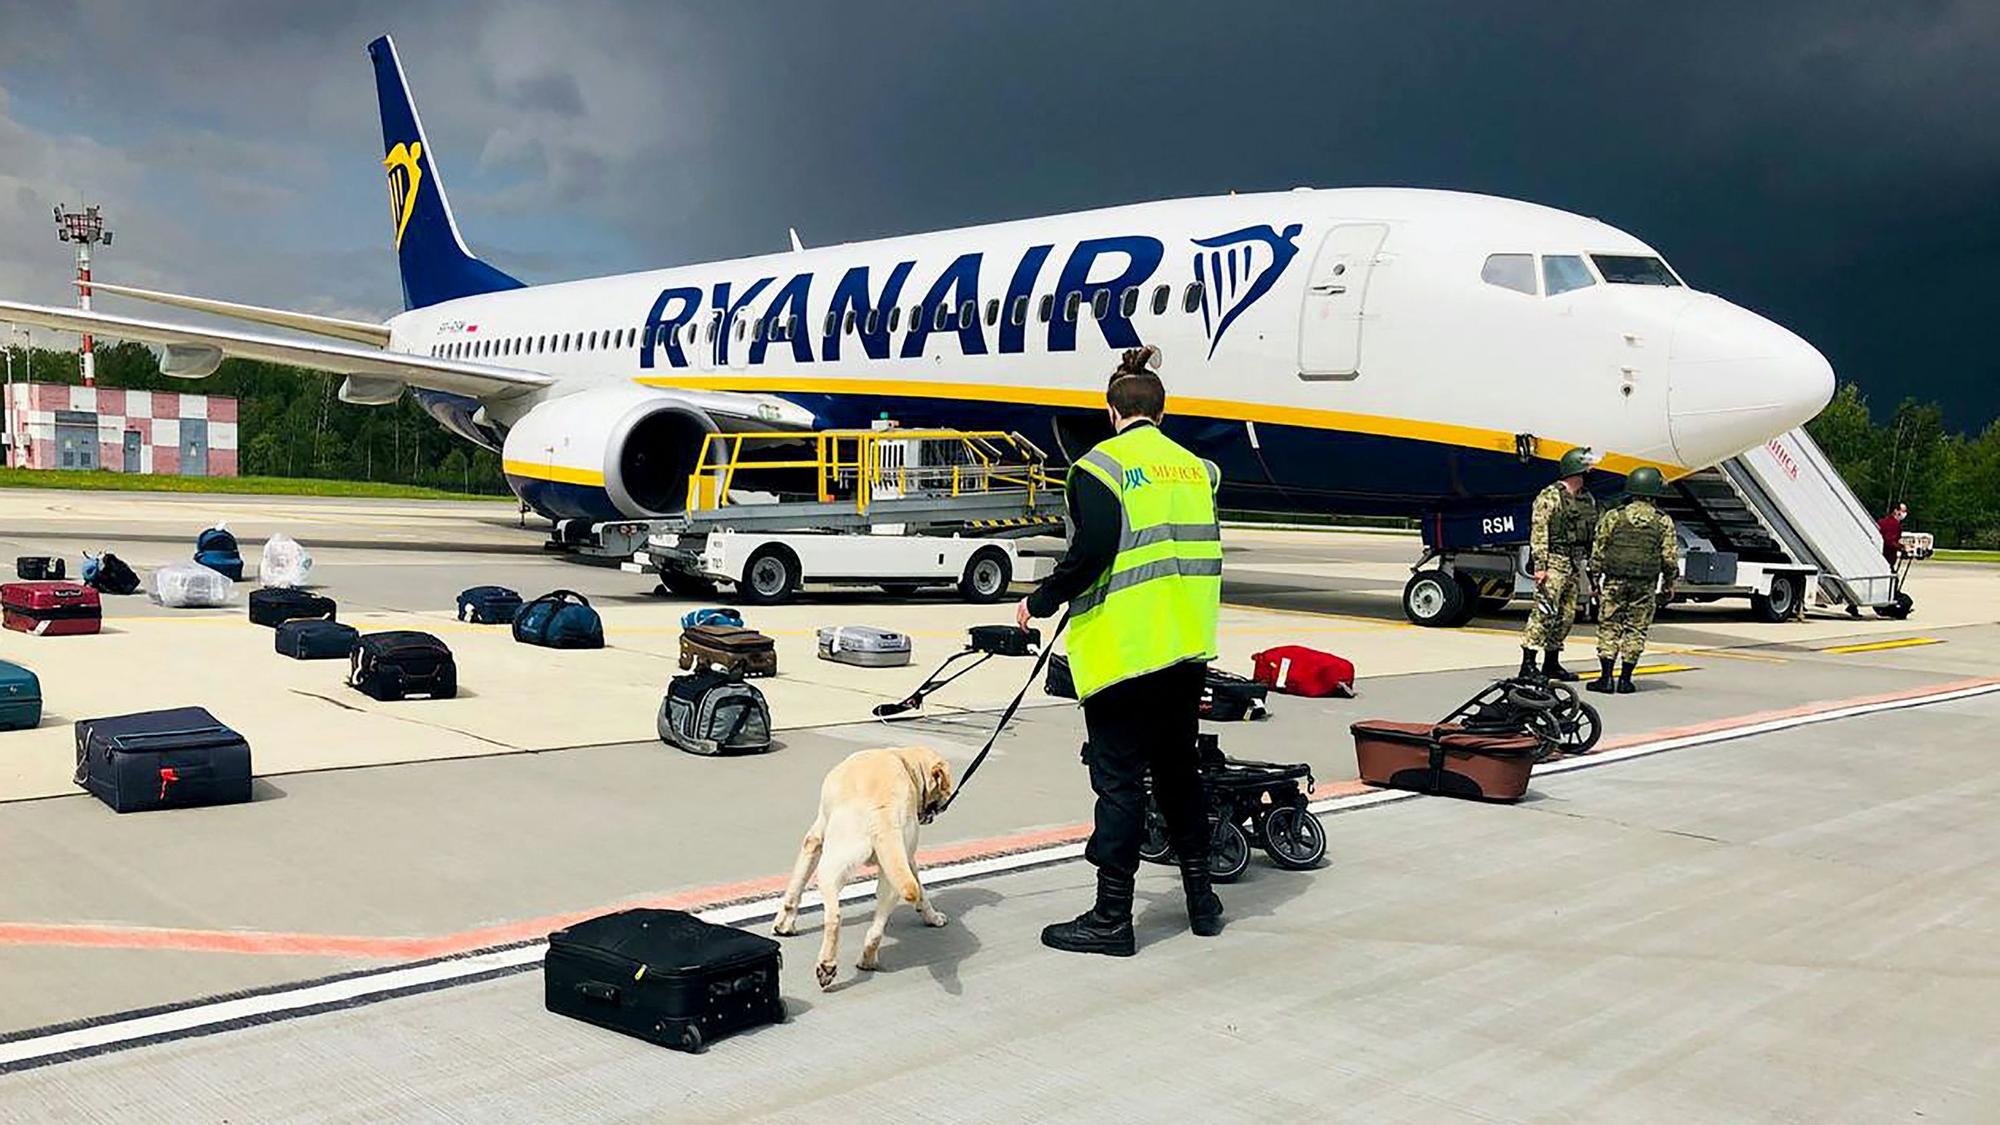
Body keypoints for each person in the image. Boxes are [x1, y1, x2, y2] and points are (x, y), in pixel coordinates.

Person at [1018, 344, 1225, 957]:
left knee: (1120, 785)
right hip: (1185, 648)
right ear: (1160, 411)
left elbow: (1092, 553)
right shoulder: (1198, 470)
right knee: (1178, 774)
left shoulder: (1099, 469)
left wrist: (1042, 600)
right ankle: (1202, 900)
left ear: (1112, 411)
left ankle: (1112, 918)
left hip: (1124, 654)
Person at [1587, 467, 1679, 694]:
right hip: (1644, 584)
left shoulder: (1614, 516)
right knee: (1636, 629)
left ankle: (1606, 678)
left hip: (1614, 581)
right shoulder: (1662, 521)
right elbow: (1669, 558)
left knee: (1609, 626)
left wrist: (1594, 580)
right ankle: (1626, 680)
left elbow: (1598, 550)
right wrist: (1669, 583)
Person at [1519, 447, 1599, 681]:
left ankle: (1551, 663)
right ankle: (1528, 665)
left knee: (1565, 616)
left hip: (1574, 563)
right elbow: (1539, 531)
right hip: (1554, 561)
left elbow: (1591, 533)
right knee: (1543, 613)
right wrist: (1540, 566)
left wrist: (1592, 571)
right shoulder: (1550, 496)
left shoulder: (1587, 498)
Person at [1878, 502, 1908, 568]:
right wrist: (1902, 548)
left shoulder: (1882, 521)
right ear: (1896, 511)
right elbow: (1890, 541)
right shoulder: (1894, 524)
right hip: (1888, 556)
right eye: (1903, 511)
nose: (1905, 513)